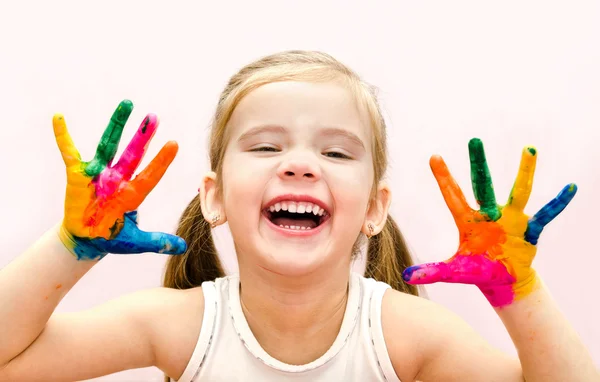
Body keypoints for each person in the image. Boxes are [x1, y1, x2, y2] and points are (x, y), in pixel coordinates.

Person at [0, 51, 596, 382]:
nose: (301, 165)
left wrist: (519, 292)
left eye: (336, 152)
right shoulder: (182, 327)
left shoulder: (399, 335)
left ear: (373, 209)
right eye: (265, 146)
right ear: (213, 197)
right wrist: (70, 245)